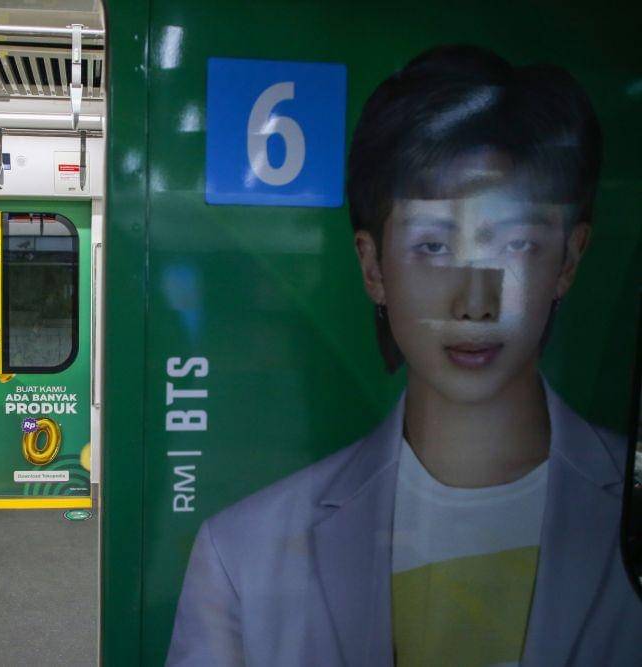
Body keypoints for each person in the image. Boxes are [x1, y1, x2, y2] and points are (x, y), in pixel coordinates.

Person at [168, 45, 642, 666]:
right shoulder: (241, 553)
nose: (475, 303)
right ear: (373, 267)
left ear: (569, 259)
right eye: (434, 246)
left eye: (517, 243)